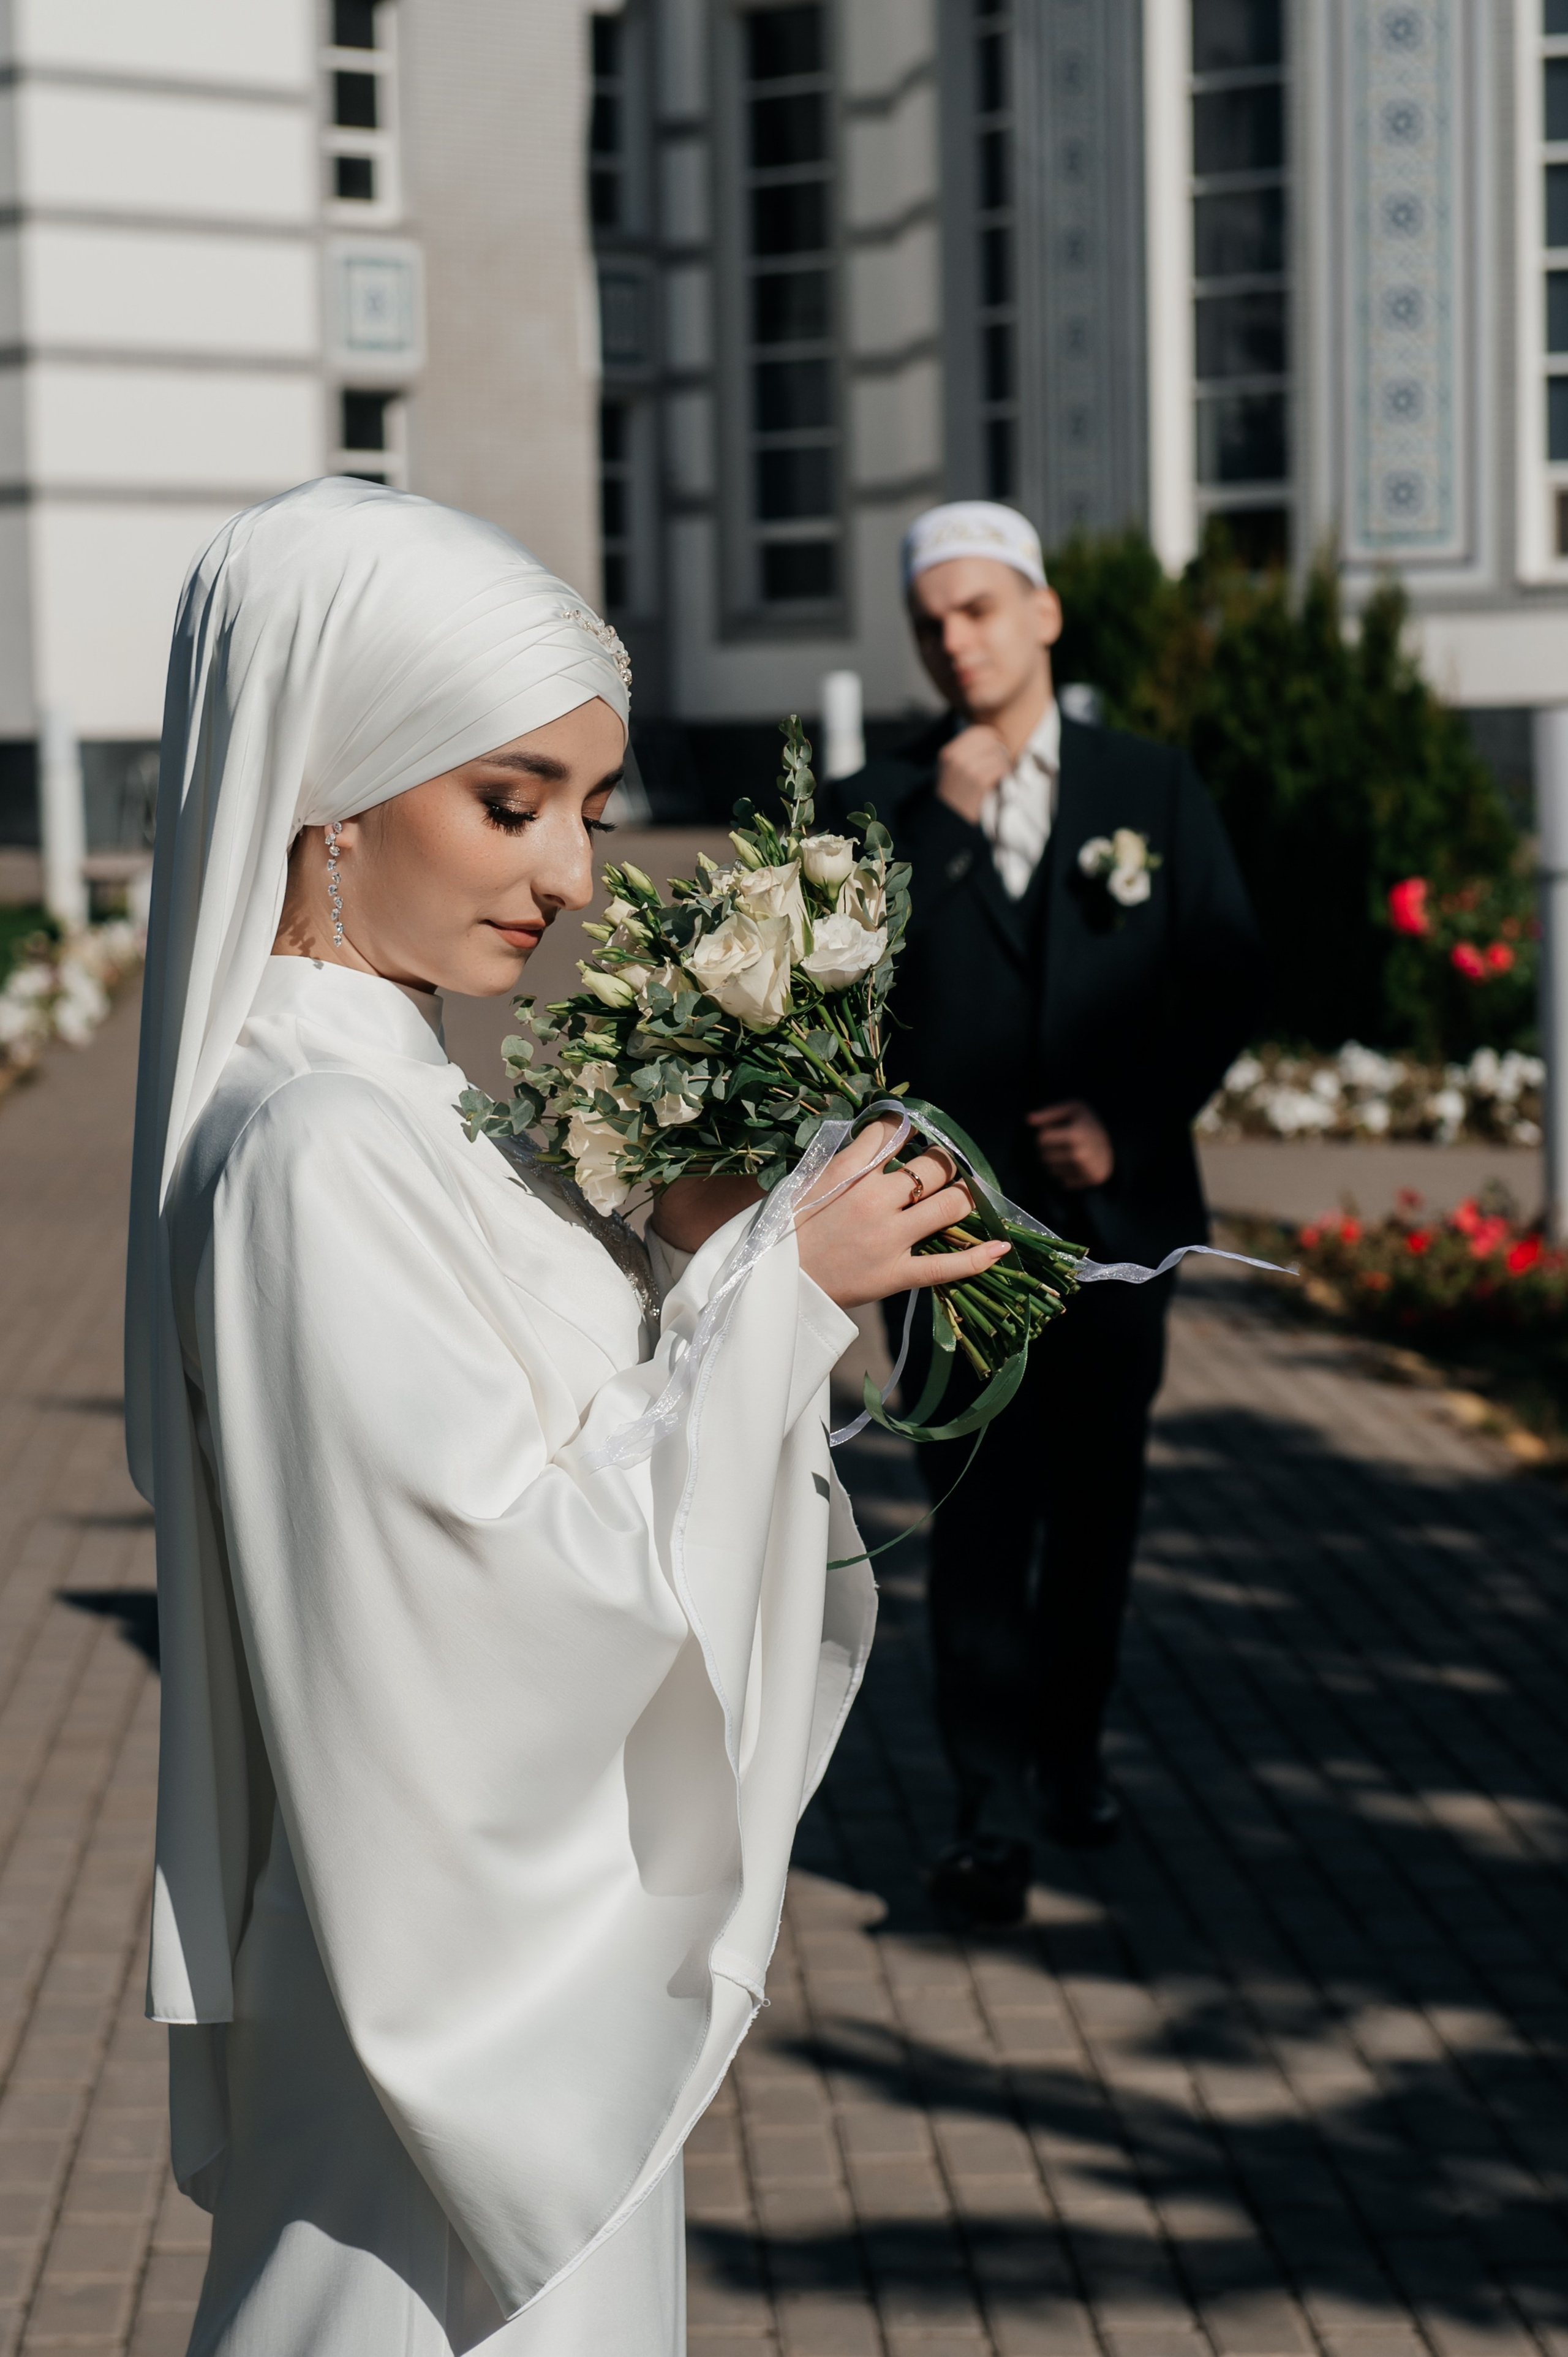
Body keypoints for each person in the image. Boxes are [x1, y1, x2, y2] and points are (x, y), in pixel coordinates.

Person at [124, 477, 1005, 2353]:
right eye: (510, 803)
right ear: (329, 795)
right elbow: (475, 1610)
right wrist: (779, 1301)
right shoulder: (316, 1145)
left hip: (464, 1996)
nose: (579, 879)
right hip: (437, 2028)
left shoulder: (410, 1106)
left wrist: (696, 1257)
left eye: (588, 813)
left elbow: (542, 1449)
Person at [824, 500, 1265, 1926]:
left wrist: (1127, 1122)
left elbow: (1225, 974)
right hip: (946, 1238)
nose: (955, 640)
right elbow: (836, 1004)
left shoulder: (1148, 783)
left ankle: (1071, 1756)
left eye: (979, 609)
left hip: (1118, 1230)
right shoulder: (873, 808)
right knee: (972, 1519)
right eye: (931, 620)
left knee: (1093, 1518)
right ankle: (981, 1812)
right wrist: (939, 831)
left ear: (1043, 612)